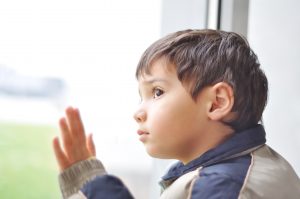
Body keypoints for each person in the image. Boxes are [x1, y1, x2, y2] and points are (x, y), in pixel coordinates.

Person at [52, 29, 300, 199]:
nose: (139, 112)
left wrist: (93, 187)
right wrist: (92, 184)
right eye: (142, 96)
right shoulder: (255, 167)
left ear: (216, 103)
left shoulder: (221, 187)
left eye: (157, 92)